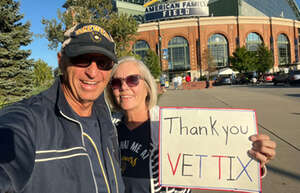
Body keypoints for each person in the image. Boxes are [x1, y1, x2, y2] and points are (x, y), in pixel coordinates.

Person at [105, 56, 276, 193]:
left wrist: (252, 161)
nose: (123, 87)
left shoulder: (172, 126)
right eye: (116, 82)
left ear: (148, 86)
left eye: (132, 80)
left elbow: (215, 156)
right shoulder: (108, 129)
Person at [0, 23, 125, 193]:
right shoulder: (29, 121)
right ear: (61, 61)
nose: (93, 72)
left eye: (103, 63)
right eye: (82, 59)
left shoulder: (107, 121)